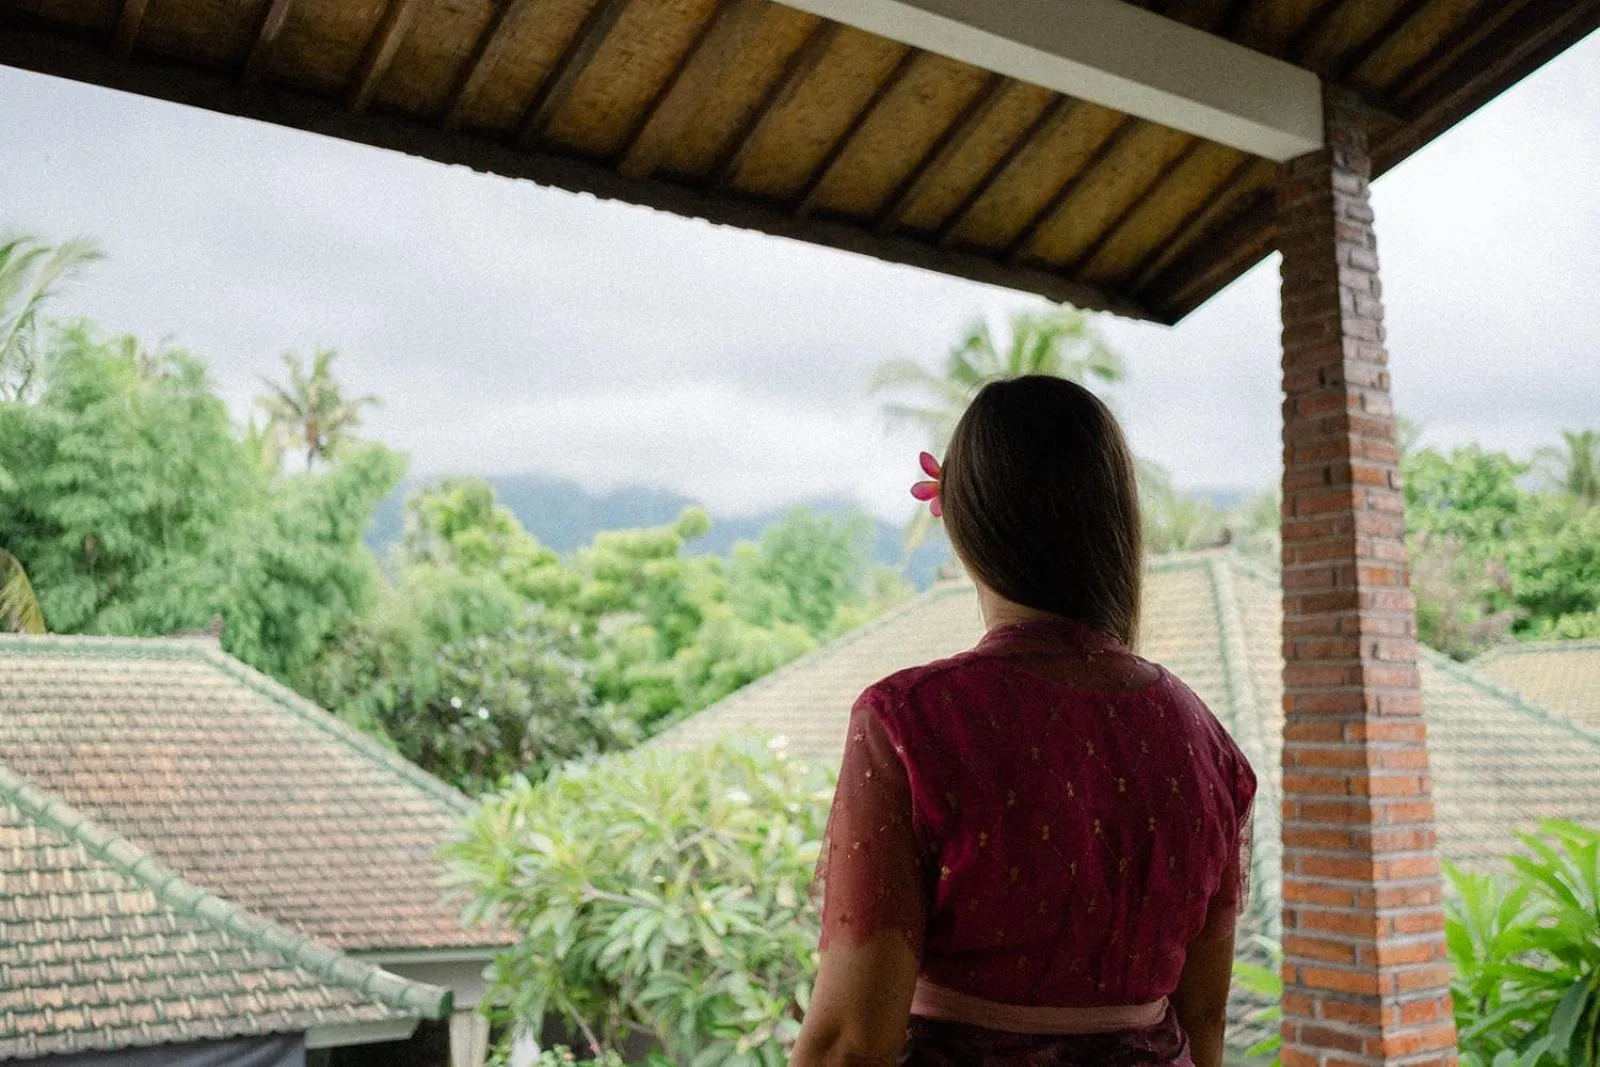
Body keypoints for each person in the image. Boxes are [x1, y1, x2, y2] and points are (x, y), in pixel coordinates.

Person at [790, 376, 1257, 1067]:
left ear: (963, 525)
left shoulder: (910, 724)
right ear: (1115, 527)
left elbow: (850, 1042)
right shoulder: (1208, 745)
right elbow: (1205, 1021)